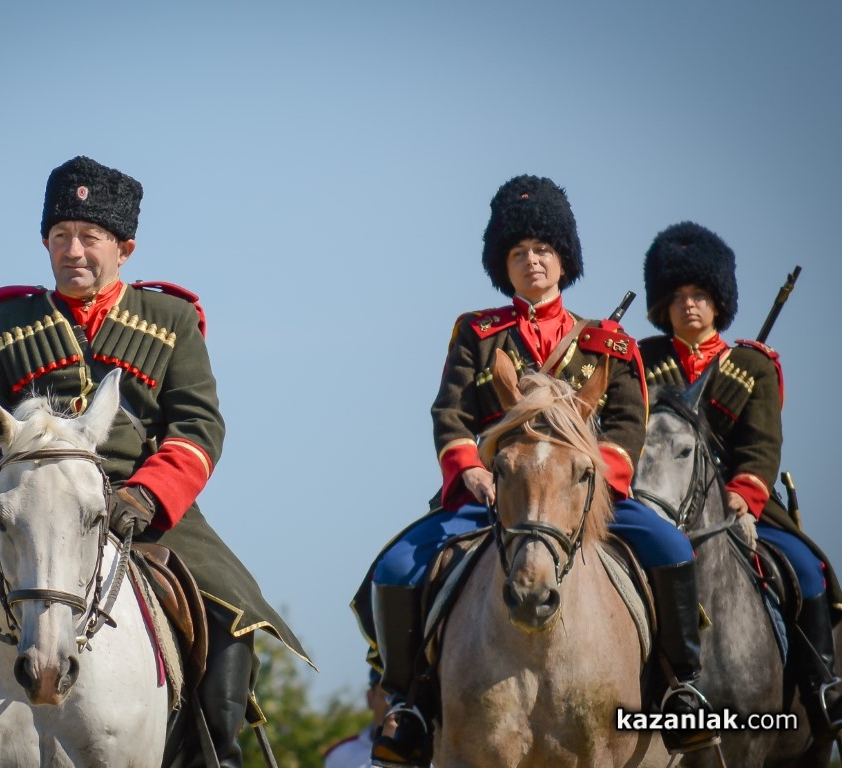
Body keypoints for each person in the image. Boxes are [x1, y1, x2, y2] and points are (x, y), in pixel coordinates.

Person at [0, 156, 309, 768]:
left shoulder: (171, 319)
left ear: (124, 248)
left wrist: (148, 496)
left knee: (230, 610)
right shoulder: (7, 320)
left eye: (89, 236)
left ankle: (217, 755)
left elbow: (197, 427)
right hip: (22, 496)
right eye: (60, 236)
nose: (73, 251)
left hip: (139, 503)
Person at [354, 175, 716, 766]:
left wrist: (589, 482)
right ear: (504, 265)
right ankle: (408, 704)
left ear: (563, 259)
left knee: (673, 550)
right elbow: (450, 415)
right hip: (493, 492)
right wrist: (470, 471)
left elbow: (628, 426)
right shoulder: (476, 334)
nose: (532, 261)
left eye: (543, 250)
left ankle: (682, 688)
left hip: (584, 496)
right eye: (518, 253)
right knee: (395, 569)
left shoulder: (609, 345)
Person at [639, 221, 842, 735]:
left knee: (807, 570)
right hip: (656, 500)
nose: (689, 305)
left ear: (718, 302)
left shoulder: (753, 365)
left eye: (700, 295)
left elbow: (762, 444)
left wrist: (743, 495)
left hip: (737, 504)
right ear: (663, 304)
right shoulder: (642, 362)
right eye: (678, 296)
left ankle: (823, 687)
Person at [323, 668, 391, 768]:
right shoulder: (339, 756)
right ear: (370, 697)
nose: (392, 705)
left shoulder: (417, 757)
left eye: (401, 697)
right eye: (386, 696)